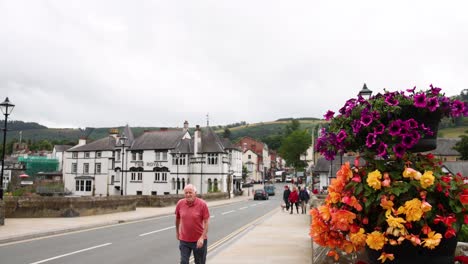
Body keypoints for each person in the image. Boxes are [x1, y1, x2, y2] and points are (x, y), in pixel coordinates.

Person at [175, 184, 210, 264]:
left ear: (195, 193)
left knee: (199, 262)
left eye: (190, 192)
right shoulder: (180, 203)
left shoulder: (202, 204)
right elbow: (177, 219)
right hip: (184, 240)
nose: (188, 194)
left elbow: (206, 222)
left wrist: (202, 237)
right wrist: (177, 232)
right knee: (184, 262)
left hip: (199, 240)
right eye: (186, 193)